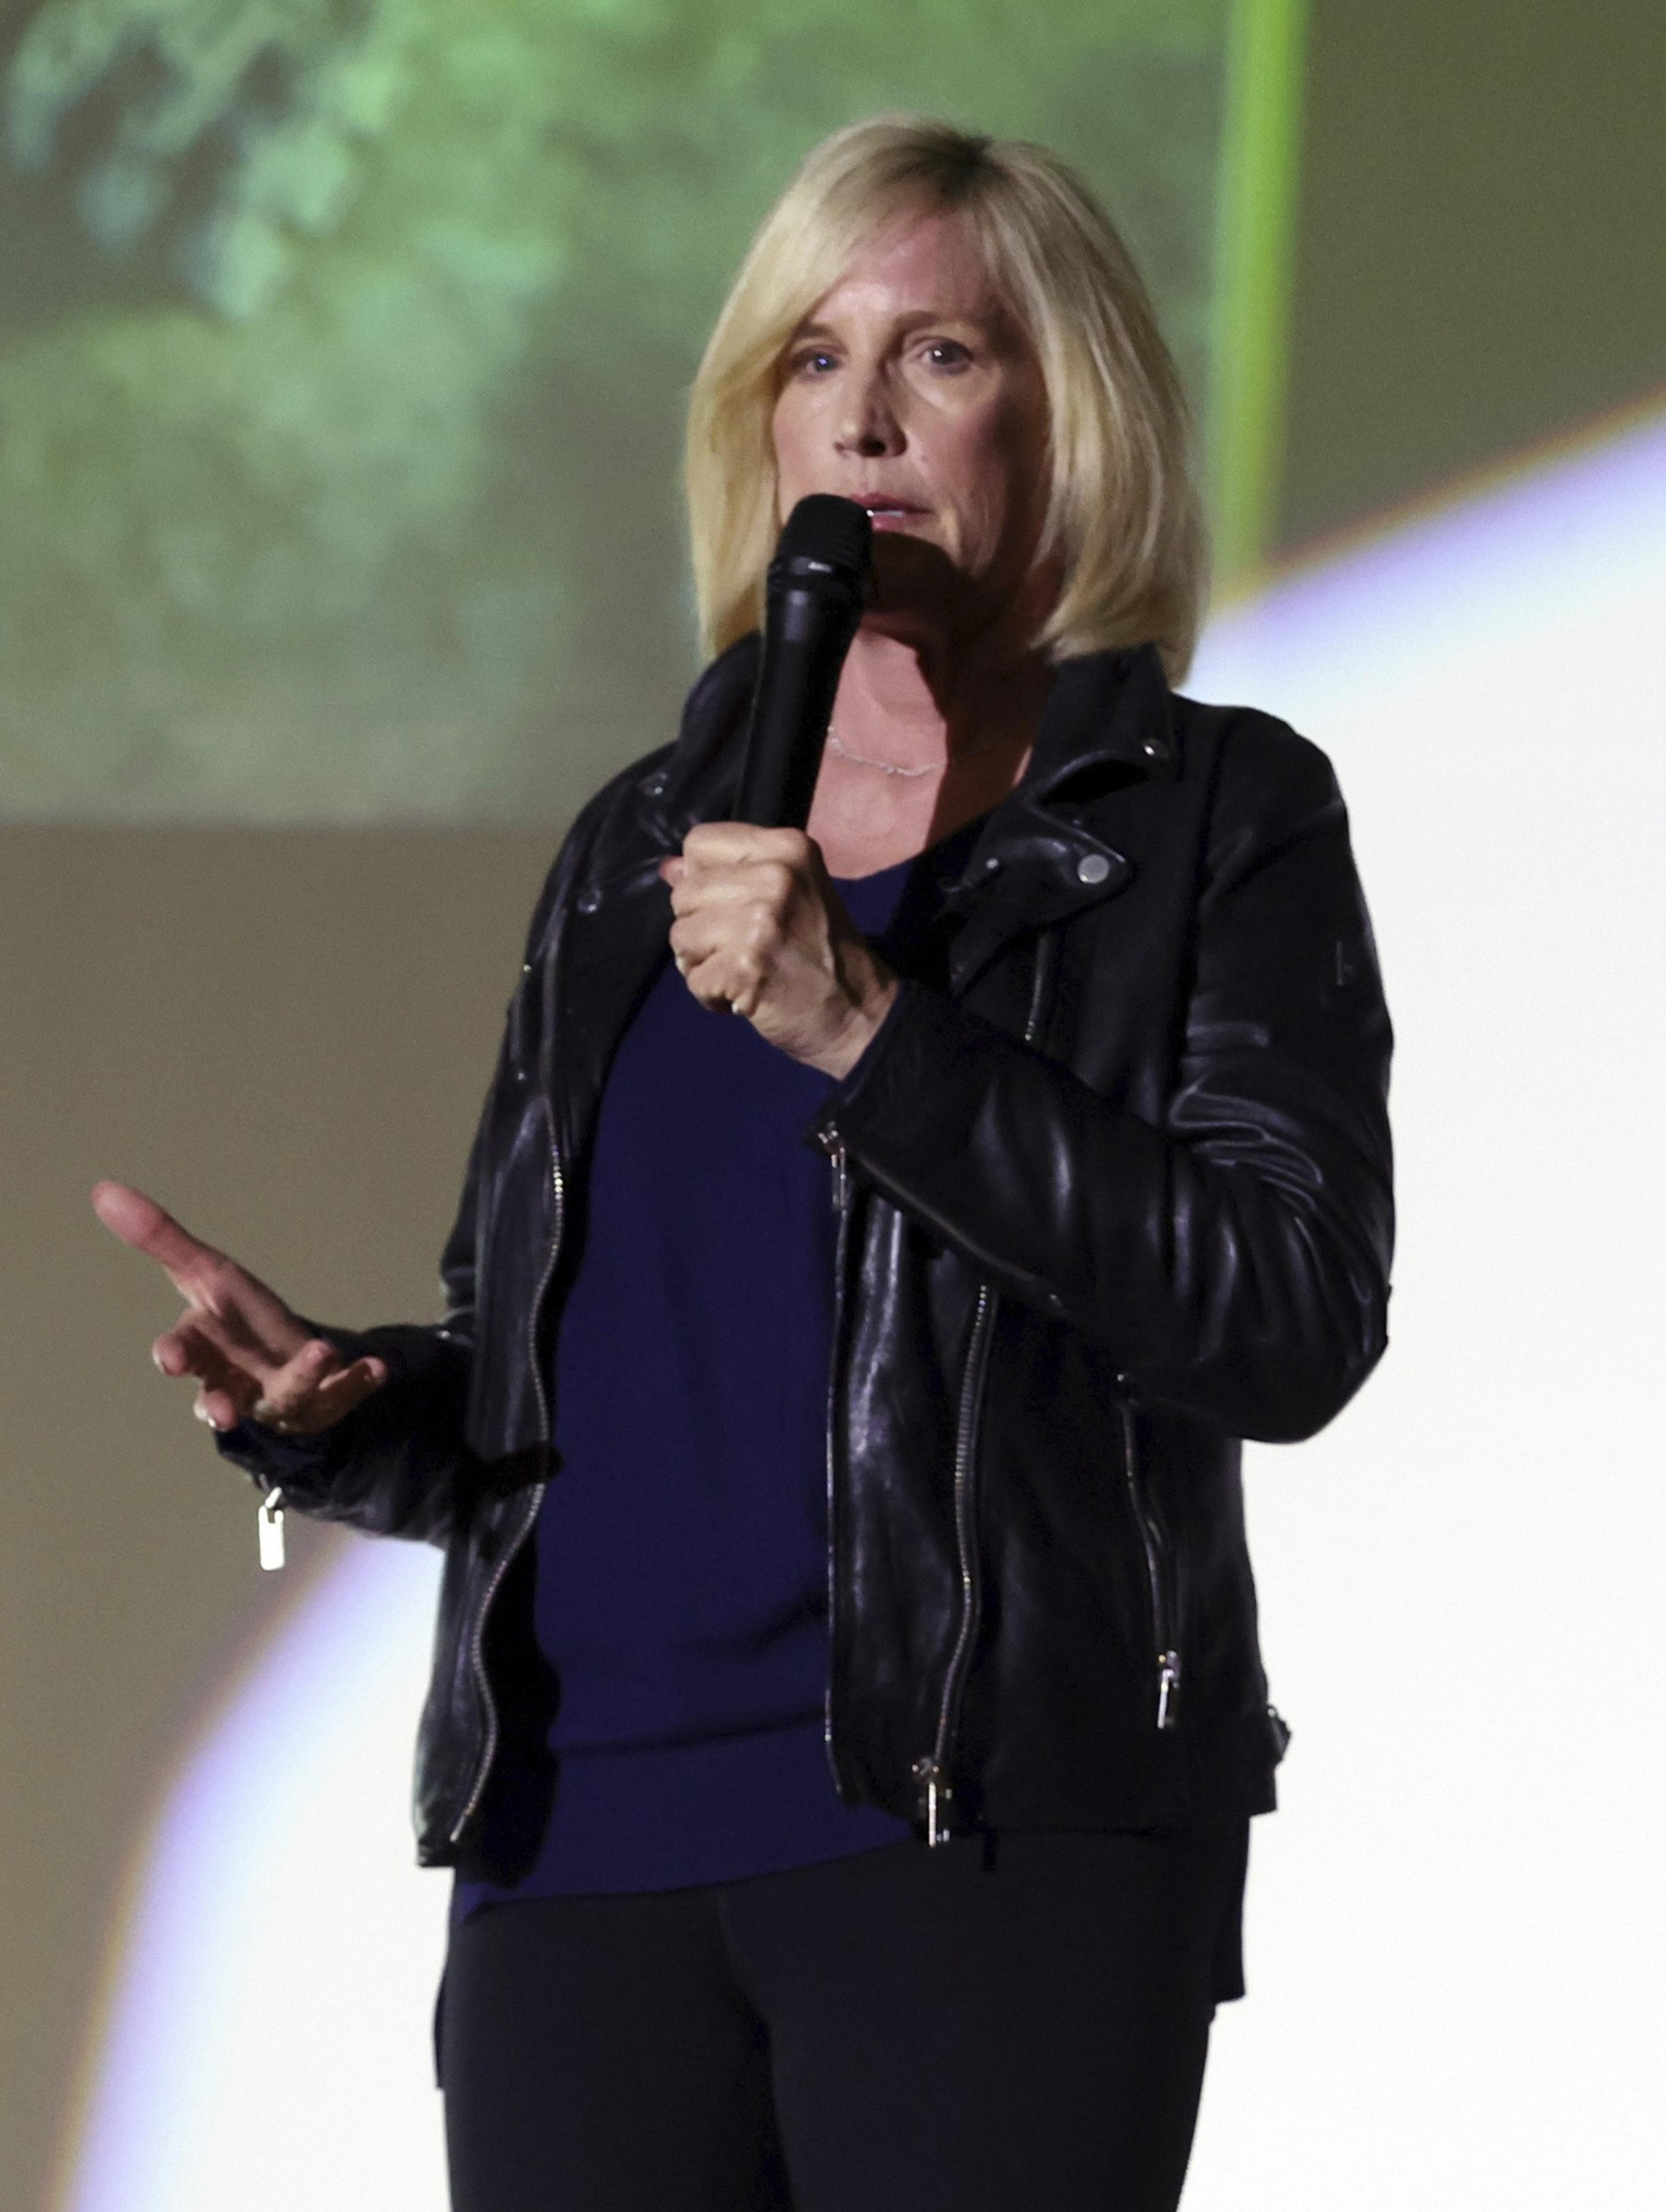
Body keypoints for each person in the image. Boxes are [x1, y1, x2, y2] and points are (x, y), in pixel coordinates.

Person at [93, 117, 1393, 2212]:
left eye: (942, 356)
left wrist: (868, 1031)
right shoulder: (634, 845)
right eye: (810, 359)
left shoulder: (1204, 819)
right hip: (578, 1852)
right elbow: (582, 1395)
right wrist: (344, 1414)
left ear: (1071, 411)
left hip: (984, 1837)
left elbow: (1283, 1314)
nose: (861, 417)